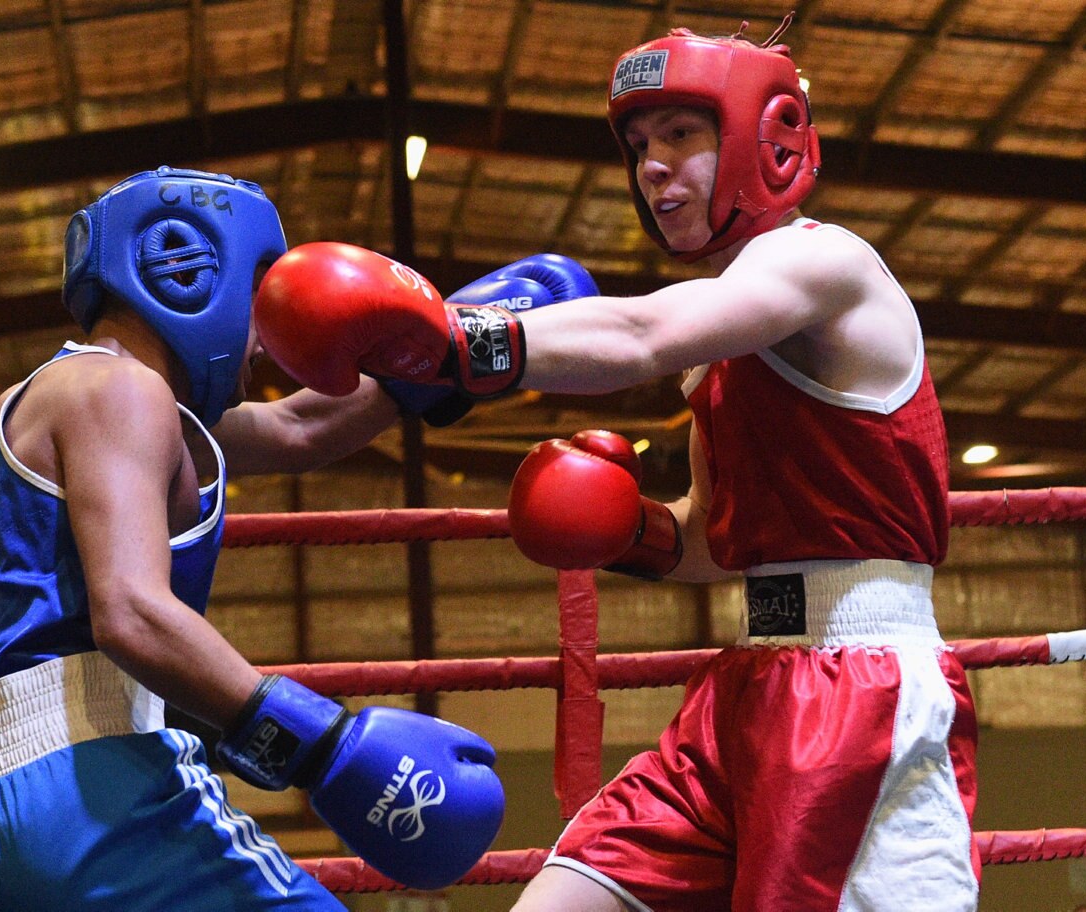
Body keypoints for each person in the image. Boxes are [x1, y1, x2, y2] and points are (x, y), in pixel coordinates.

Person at [251, 17, 980, 912]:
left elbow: (639, 331)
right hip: (748, 682)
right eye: (639, 146)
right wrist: (629, 529)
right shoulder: (719, 344)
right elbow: (718, 541)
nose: (653, 168)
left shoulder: (823, 263)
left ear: (767, 141)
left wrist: (445, 337)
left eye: (681, 136)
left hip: (865, 685)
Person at [0, 166, 595, 910]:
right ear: (186, 269)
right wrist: (320, 745)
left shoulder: (48, 398)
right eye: (257, 292)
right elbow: (130, 611)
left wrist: (448, 342)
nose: (268, 331)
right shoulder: (125, 393)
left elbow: (300, 428)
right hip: (74, 794)